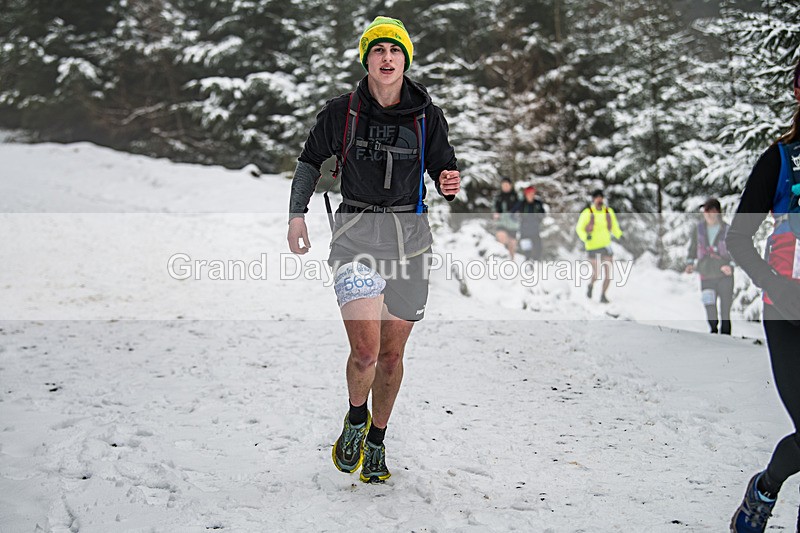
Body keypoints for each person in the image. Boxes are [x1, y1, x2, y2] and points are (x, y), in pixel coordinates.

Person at [287, 16, 460, 484]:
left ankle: (378, 441)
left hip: (411, 244)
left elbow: (446, 170)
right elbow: (308, 162)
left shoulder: (428, 116)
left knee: (391, 357)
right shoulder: (341, 112)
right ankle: (356, 418)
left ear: (405, 60)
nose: (387, 58)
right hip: (357, 239)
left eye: (395, 51)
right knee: (365, 351)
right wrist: (296, 214)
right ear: (367, 59)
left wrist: (448, 183)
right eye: (378, 51)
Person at [726, 60, 800, 532]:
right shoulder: (781, 158)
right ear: (797, 90)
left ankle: (766, 489)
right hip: (789, 314)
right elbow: (738, 237)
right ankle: (765, 489)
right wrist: (775, 286)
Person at [684, 198, 735, 335]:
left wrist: (731, 265)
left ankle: (726, 337)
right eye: (705, 211)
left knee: (725, 309)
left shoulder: (727, 229)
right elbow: (693, 247)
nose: (707, 214)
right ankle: (713, 332)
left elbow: (735, 251)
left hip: (724, 274)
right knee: (709, 306)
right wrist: (690, 263)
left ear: (717, 212)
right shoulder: (699, 229)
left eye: (710, 211)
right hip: (705, 274)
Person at [575, 189, 623, 303]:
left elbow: (614, 226)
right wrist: (585, 237)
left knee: (608, 273)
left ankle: (603, 295)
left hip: (606, 246)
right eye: (597, 197)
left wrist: (620, 235)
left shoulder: (608, 211)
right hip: (592, 247)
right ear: (593, 199)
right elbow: (579, 228)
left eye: (601, 197)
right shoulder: (588, 212)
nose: (599, 200)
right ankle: (591, 285)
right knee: (596, 273)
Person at [493, 177, 520, 259]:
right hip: (501, 221)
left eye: (507, 185)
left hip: (513, 223)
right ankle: (502, 256)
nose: (505, 187)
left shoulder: (516, 196)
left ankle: (512, 260)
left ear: (510, 185)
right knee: (501, 236)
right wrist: (496, 213)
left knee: (512, 243)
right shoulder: (498, 196)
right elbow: (494, 207)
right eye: (503, 185)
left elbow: (520, 207)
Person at [518, 185, 546, 261]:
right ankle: (527, 262)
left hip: (535, 229)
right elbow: (514, 213)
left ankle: (535, 261)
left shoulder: (538, 203)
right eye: (529, 193)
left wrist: (539, 218)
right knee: (527, 249)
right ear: (526, 194)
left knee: (538, 248)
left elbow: (543, 213)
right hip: (524, 230)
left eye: (532, 193)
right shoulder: (522, 203)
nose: (531, 195)